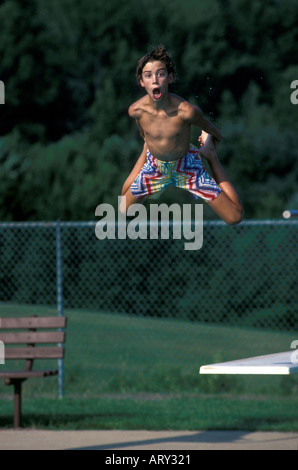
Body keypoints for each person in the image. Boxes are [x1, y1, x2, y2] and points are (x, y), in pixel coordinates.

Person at [120, 46, 244, 225]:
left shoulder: (187, 111)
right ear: (141, 81)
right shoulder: (136, 111)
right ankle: (145, 152)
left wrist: (216, 138)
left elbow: (211, 128)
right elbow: (143, 132)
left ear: (169, 78)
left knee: (235, 217)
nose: (155, 80)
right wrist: (147, 148)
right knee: (124, 209)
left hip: (186, 167)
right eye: (148, 76)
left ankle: (210, 155)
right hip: (156, 166)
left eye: (160, 74)